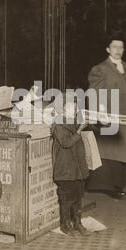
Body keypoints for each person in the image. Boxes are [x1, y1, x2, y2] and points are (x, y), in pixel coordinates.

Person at [85, 35, 126, 199]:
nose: (118, 50)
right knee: (107, 150)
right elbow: (93, 93)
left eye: (121, 47)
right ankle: (105, 186)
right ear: (107, 49)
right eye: (114, 47)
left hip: (124, 117)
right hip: (107, 116)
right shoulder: (100, 69)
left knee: (122, 151)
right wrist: (99, 114)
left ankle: (117, 185)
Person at [51, 93, 90, 236]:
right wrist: (80, 130)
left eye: (75, 107)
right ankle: (65, 225)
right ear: (62, 109)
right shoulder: (58, 125)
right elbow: (67, 143)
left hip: (77, 170)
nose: (74, 110)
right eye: (70, 107)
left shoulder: (73, 122)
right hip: (65, 170)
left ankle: (78, 223)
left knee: (78, 197)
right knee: (66, 199)